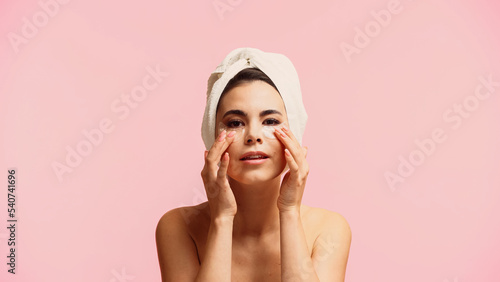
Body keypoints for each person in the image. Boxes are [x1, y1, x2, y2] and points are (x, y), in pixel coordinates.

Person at [155, 47, 351, 281]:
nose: (253, 135)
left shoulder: (328, 230)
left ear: (294, 137)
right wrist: (222, 219)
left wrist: (289, 211)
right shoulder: (179, 227)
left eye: (270, 120)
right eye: (235, 122)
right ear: (213, 136)